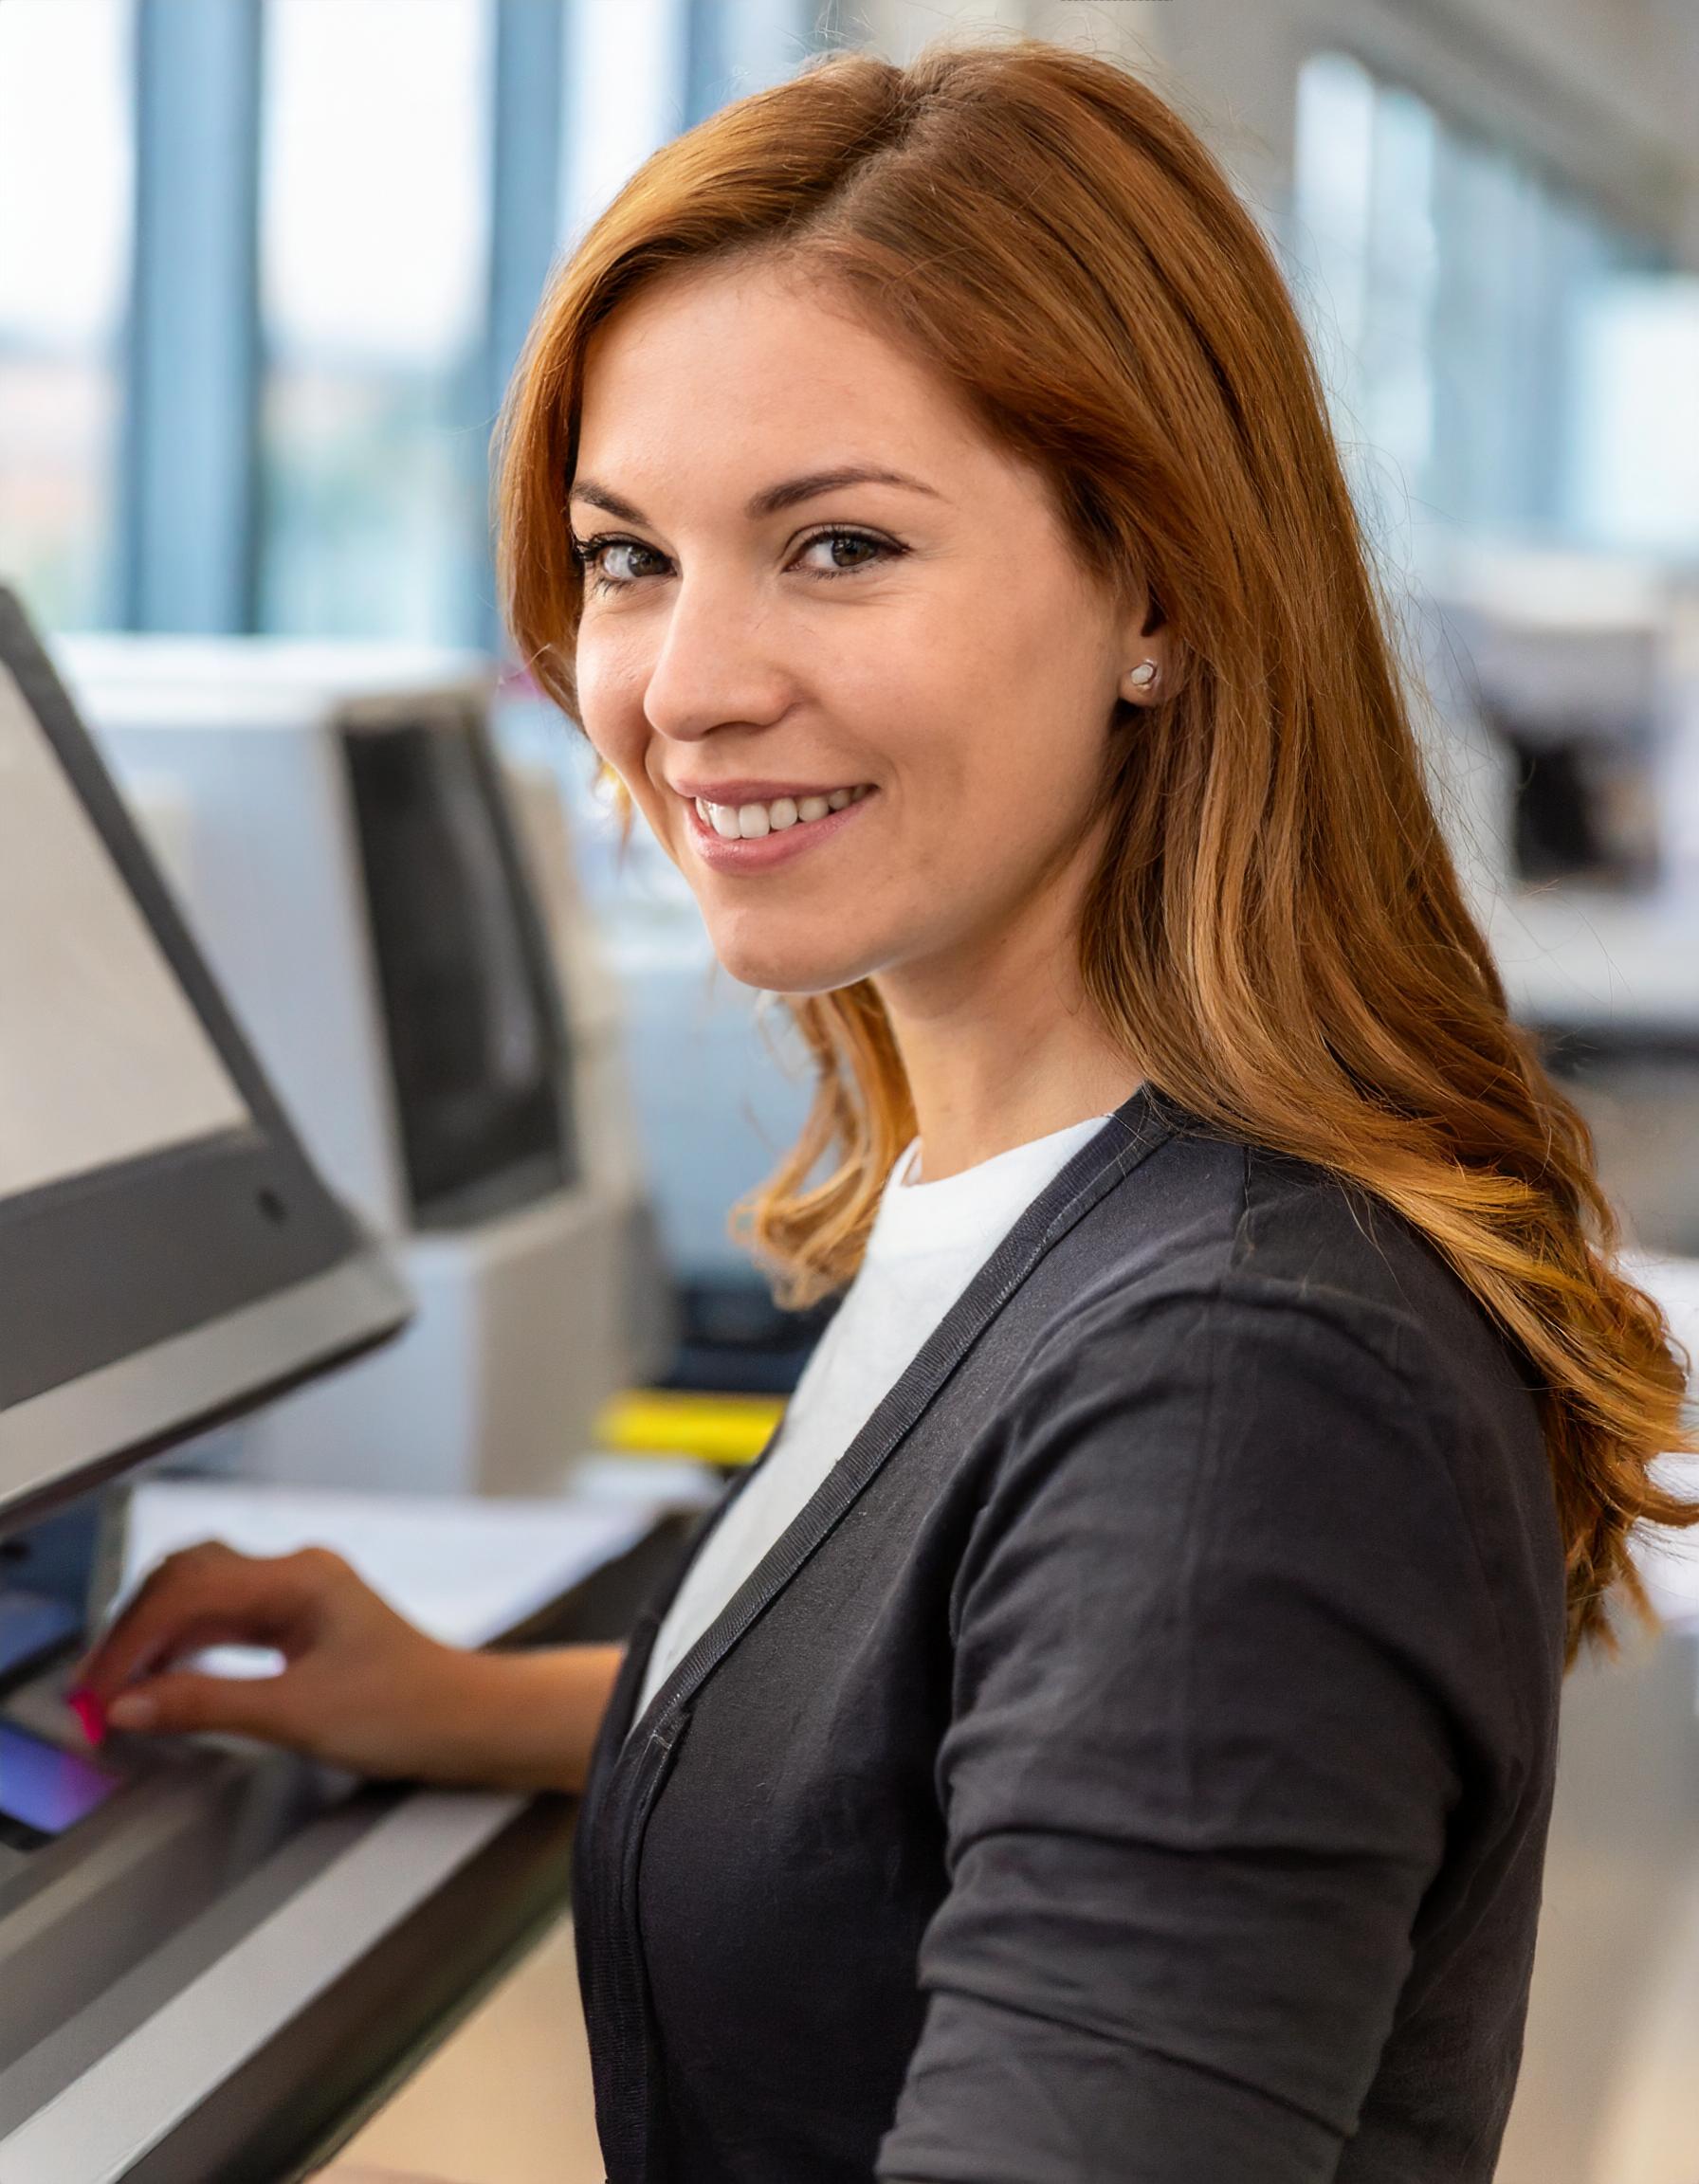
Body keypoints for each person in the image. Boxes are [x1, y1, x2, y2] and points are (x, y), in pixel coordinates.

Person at [73, 34, 1696, 2184]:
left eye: (836, 546)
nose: (685, 687)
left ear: (1159, 590)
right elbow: (973, 1735)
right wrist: (459, 1701)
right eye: (628, 556)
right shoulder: (1022, 1197)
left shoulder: (1239, 1382)